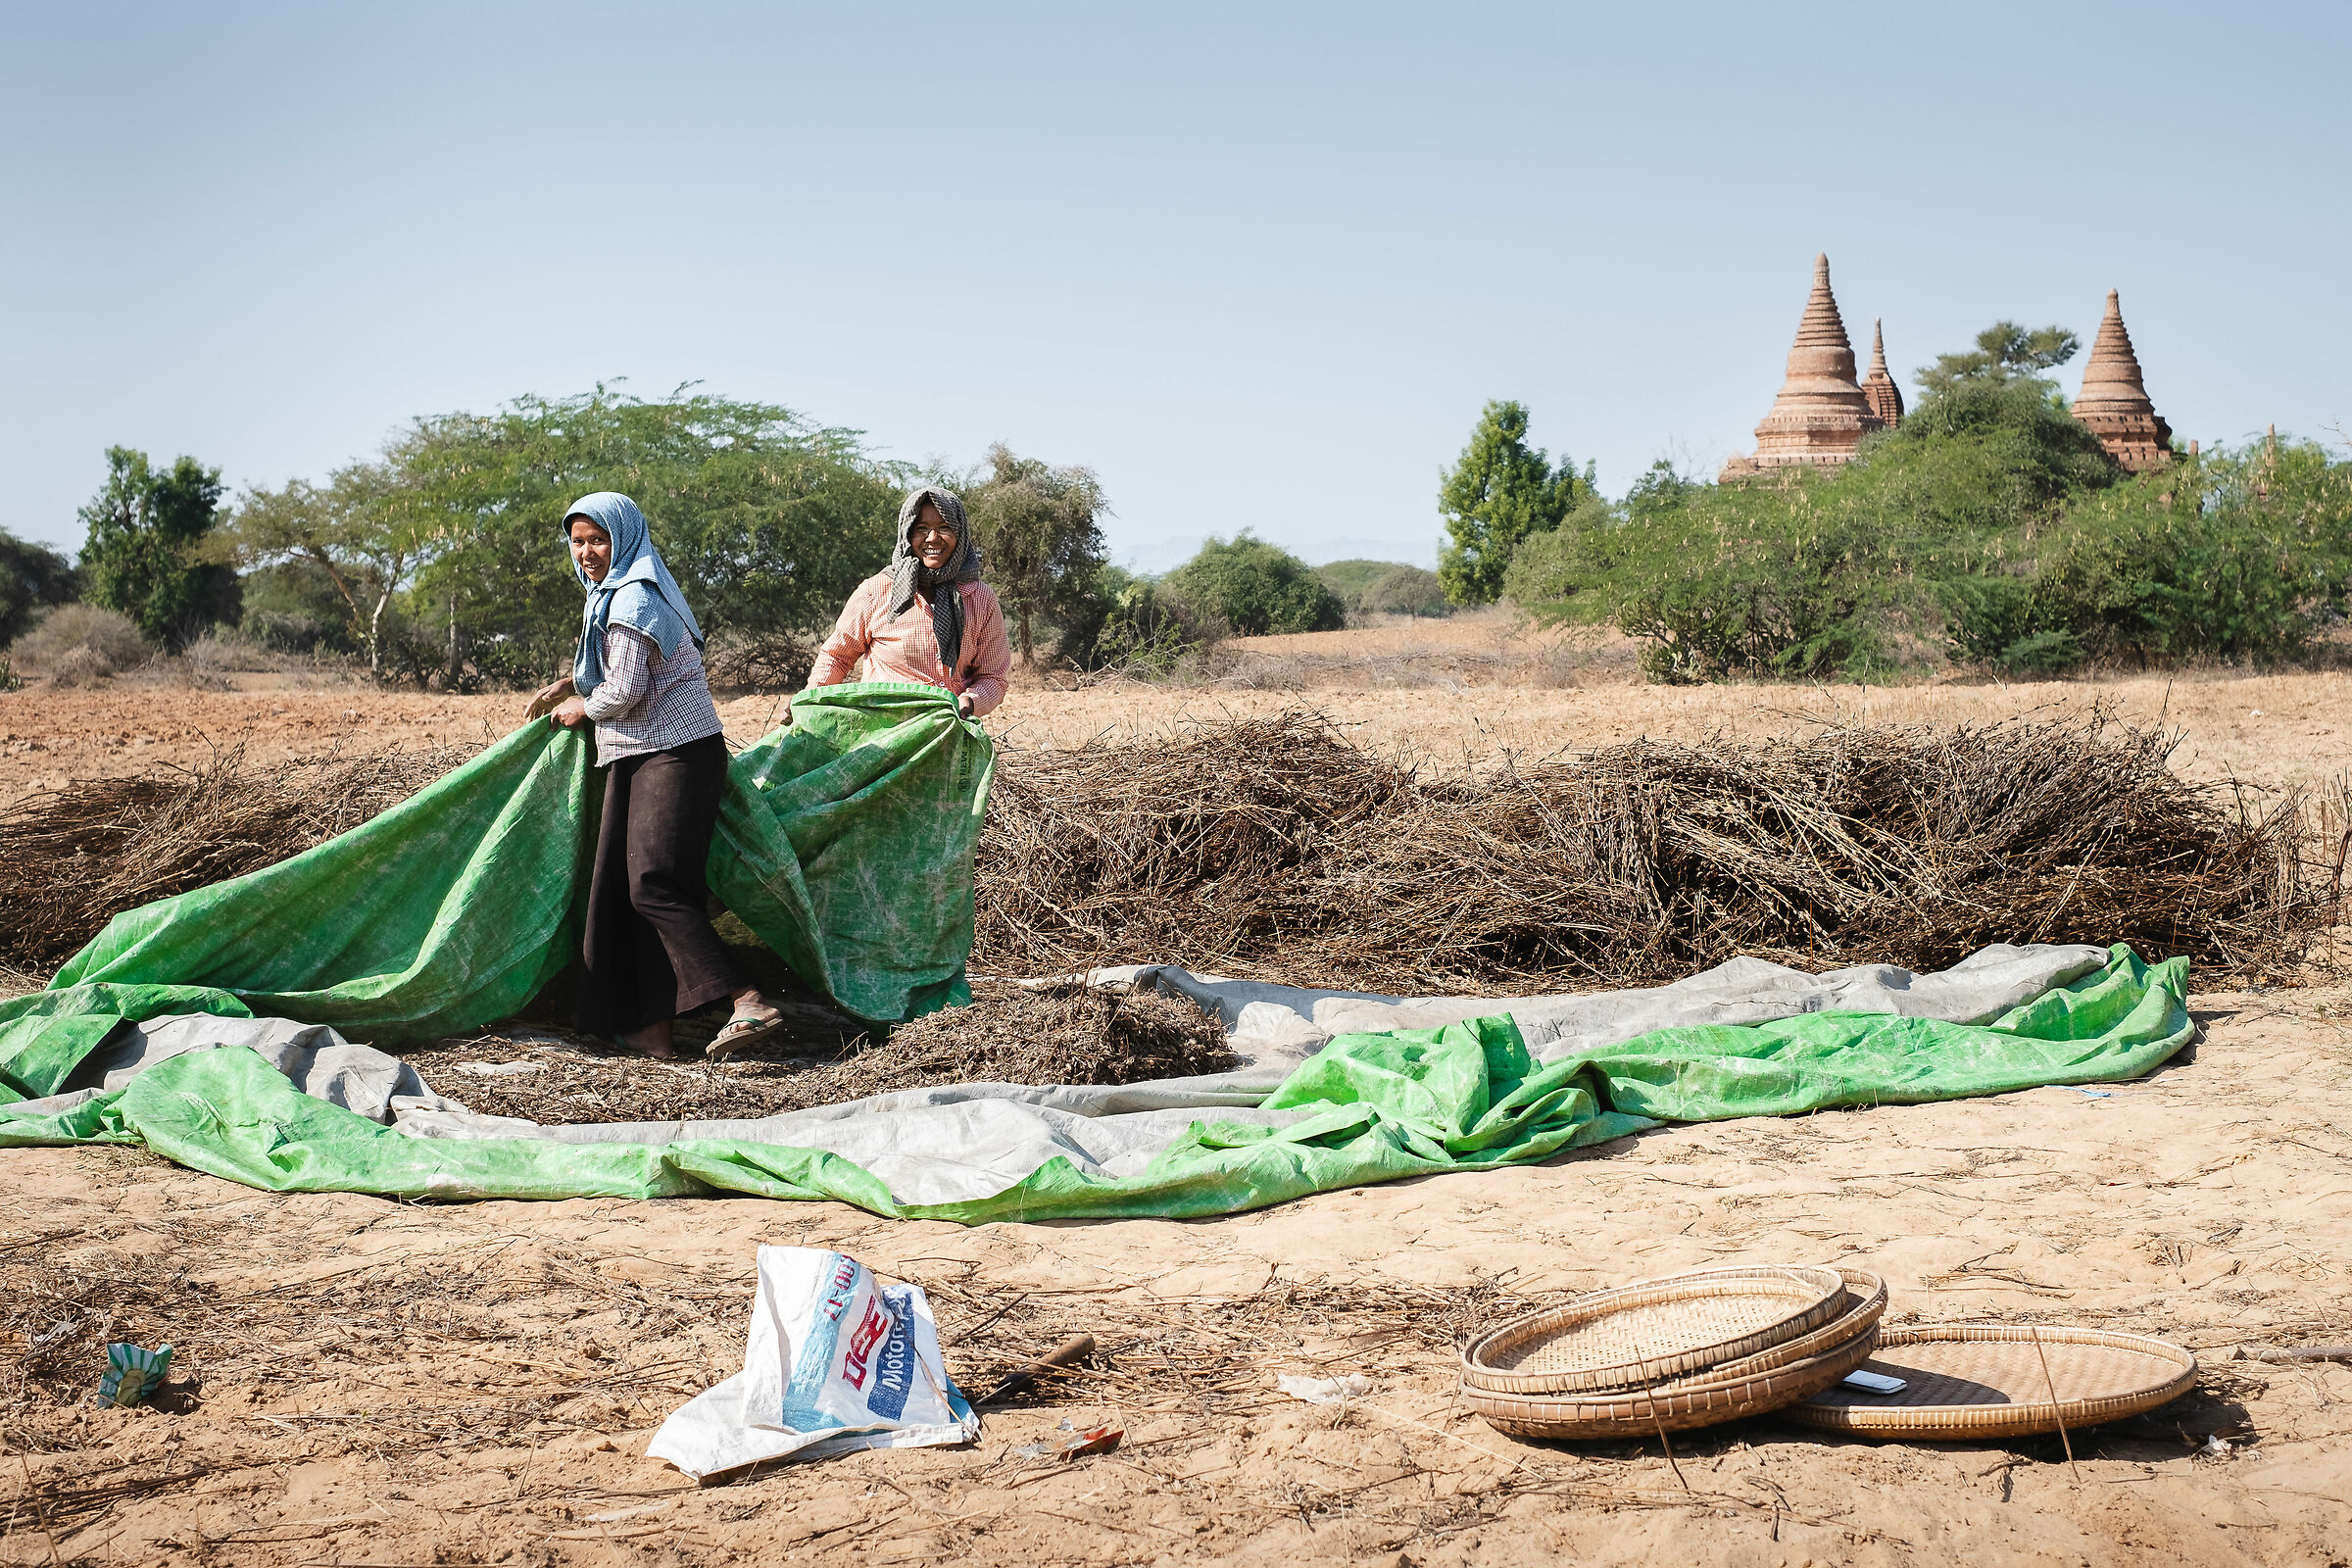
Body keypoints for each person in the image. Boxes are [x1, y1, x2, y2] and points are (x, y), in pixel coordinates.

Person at [525, 492, 786, 1060]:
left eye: (599, 540)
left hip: (675, 753)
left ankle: (746, 998)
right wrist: (569, 684)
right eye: (578, 541)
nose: (588, 552)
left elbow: (623, 691)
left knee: (653, 885)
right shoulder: (613, 595)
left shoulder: (634, 598)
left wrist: (581, 709)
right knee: (620, 891)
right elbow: (617, 668)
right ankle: (650, 1029)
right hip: (641, 752)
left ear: (624, 539)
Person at [807, 486, 1011, 717]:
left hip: (947, 731)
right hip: (881, 731)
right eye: (921, 529)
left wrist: (968, 702)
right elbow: (837, 657)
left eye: (945, 528)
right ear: (906, 534)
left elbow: (993, 676)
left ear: (960, 534)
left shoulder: (979, 598)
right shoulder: (876, 591)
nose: (932, 538)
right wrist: (809, 702)